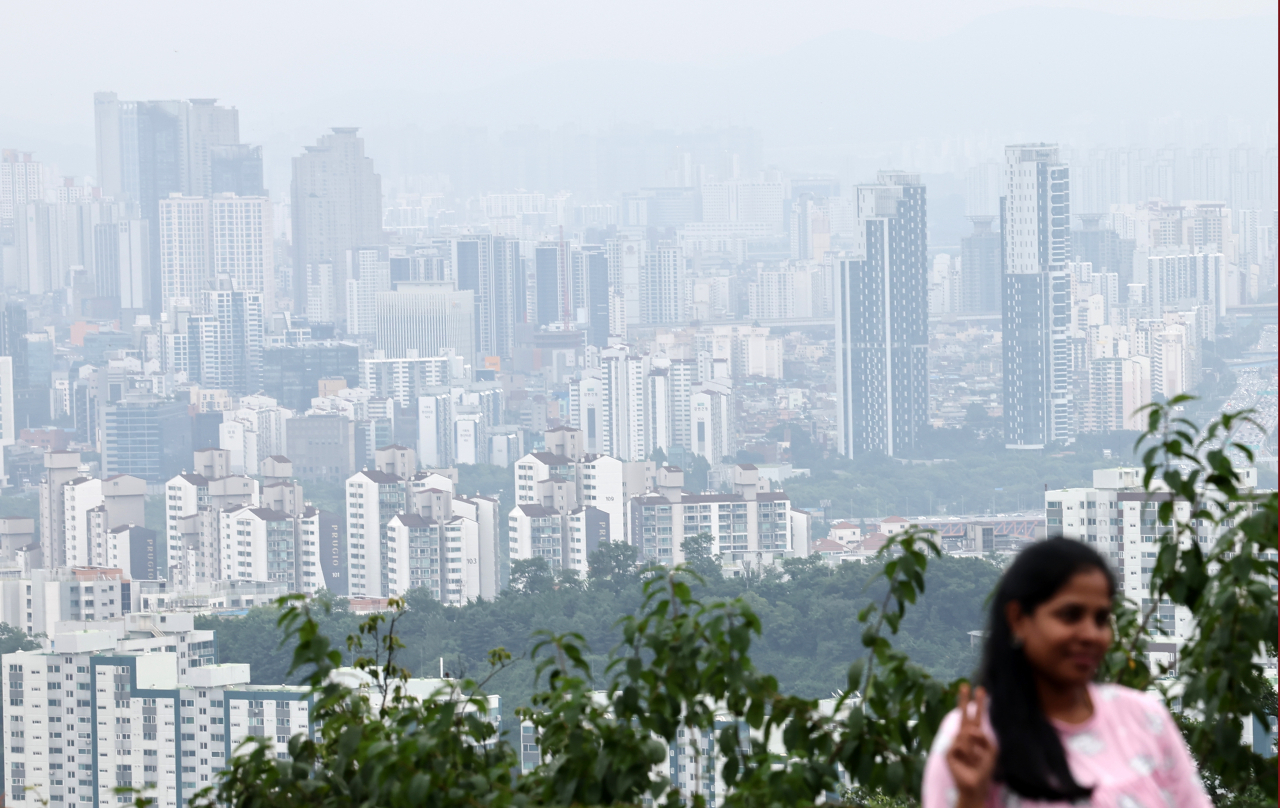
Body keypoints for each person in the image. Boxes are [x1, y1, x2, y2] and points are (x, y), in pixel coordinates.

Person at [921, 537, 1211, 808]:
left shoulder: (1145, 719)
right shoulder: (974, 741)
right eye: (1070, 615)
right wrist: (971, 797)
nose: (1090, 634)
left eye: (1101, 619)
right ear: (1018, 618)